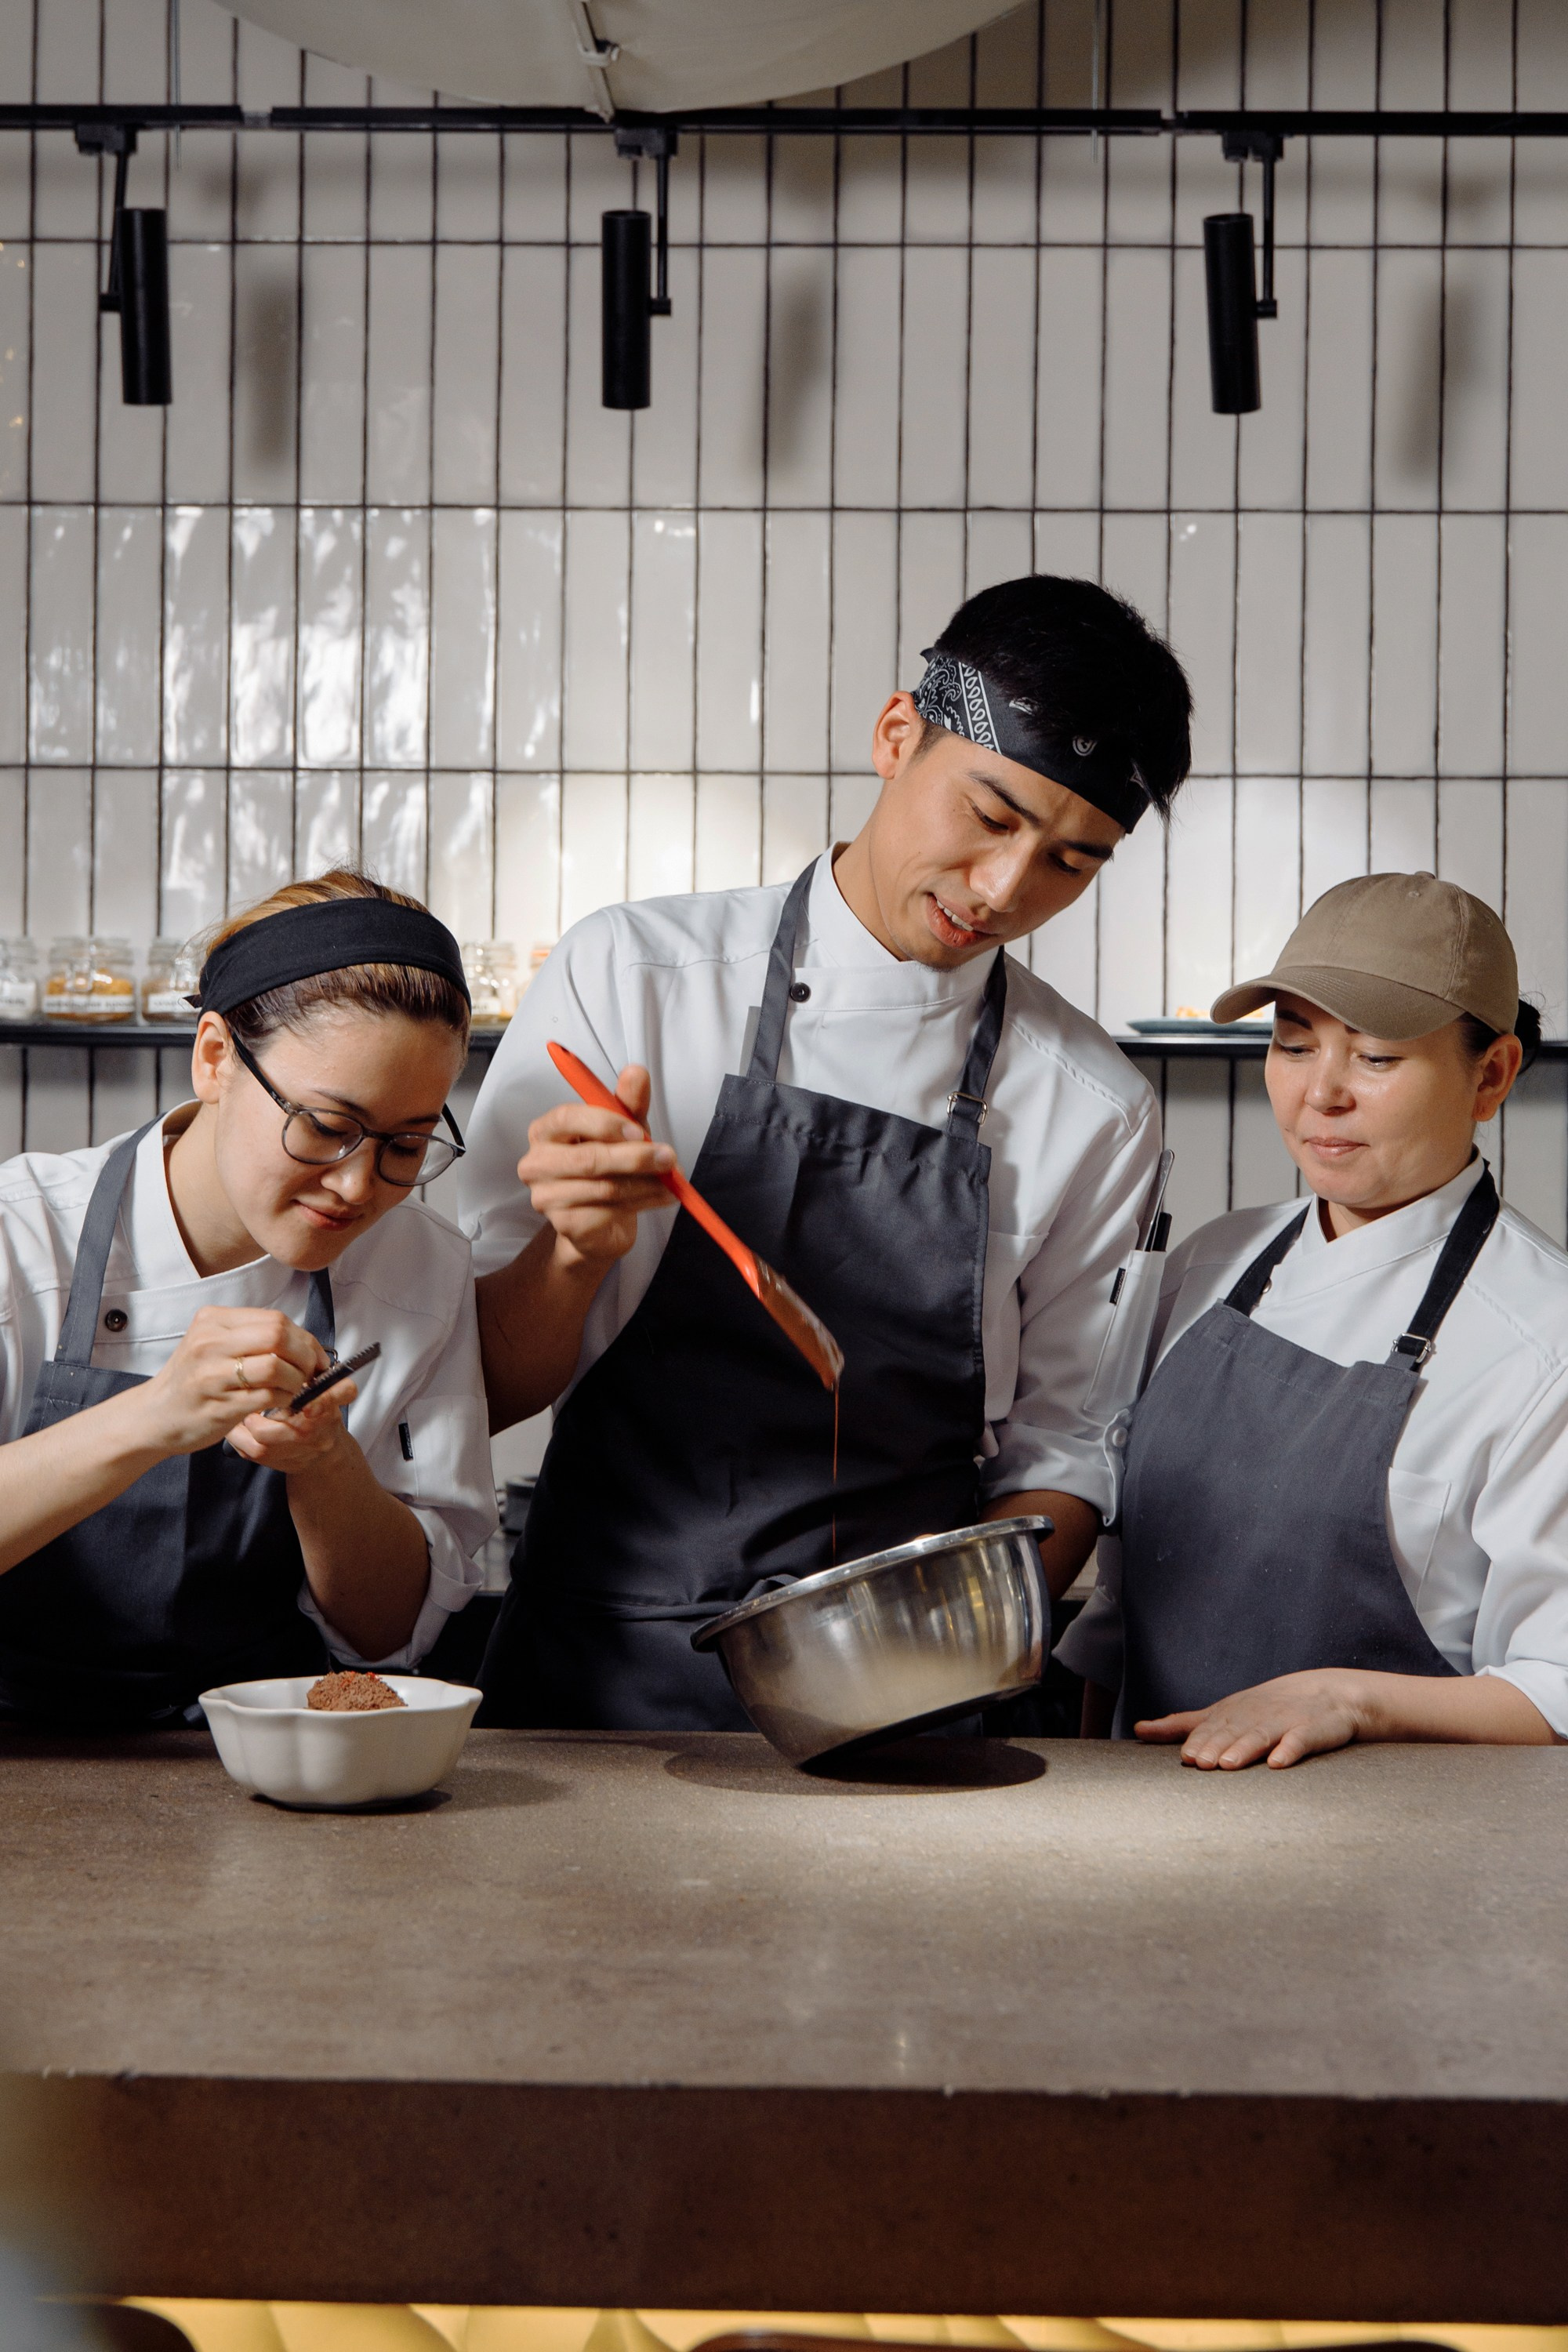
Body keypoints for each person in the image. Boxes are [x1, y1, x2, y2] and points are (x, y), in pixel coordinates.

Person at [459, 573, 1195, 1729]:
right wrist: (571, 1254)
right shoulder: (633, 980)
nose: (1004, 889)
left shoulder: (1091, 1106)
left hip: (904, 1689)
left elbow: (1066, 1447)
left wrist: (939, 1660)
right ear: (897, 733)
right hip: (601, 1673)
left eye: (1071, 861)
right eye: (992, 817)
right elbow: (482, 1383)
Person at [1060, 870, 1568, 1768]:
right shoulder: (1210, 1266)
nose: (1320, 1094)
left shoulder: (1543, 1338)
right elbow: (1124, 1609)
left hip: (1400, 1858)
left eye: (1373, 1058)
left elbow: (1553, 1685)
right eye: (1293, 1046)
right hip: (1141, 1836)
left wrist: (1346, 1698)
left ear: (1489, 1076)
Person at [0, 872, 495, 1728]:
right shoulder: (22, 1235)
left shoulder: (420, 1267)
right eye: (325, 1125)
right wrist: (157, 1413)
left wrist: (326, 1461)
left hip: (275, 1768)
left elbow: (387, 1636)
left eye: (405, 1145)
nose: (355, 1186)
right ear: (216, 1058)